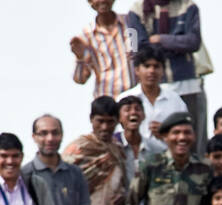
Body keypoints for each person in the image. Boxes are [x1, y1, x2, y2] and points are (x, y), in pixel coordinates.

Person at [125, 0, 208, 150]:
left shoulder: (188, 6)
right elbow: (135, 48)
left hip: (187, 86)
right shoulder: (135, 11)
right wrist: (176, 44)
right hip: (151, 86)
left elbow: (193, 42)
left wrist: (160, 40)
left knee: (192, 142)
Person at [119, 45, 184, 159]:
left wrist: (166, 134)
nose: (151, 71)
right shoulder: (124, 99)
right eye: (147, 66)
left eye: (156, 66)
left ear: (163, 70)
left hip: (167, 161)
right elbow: (117, 135)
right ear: (137, 70)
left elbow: (185, 134)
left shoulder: (175, 100)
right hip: (131, 158)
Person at [70, 0, 138, 98]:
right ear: (90, 2)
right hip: (107, 101)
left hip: (134, 98)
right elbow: (80, 79)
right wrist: (79, 58)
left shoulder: (130, 24)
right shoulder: (86, 36)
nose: (102, 0)